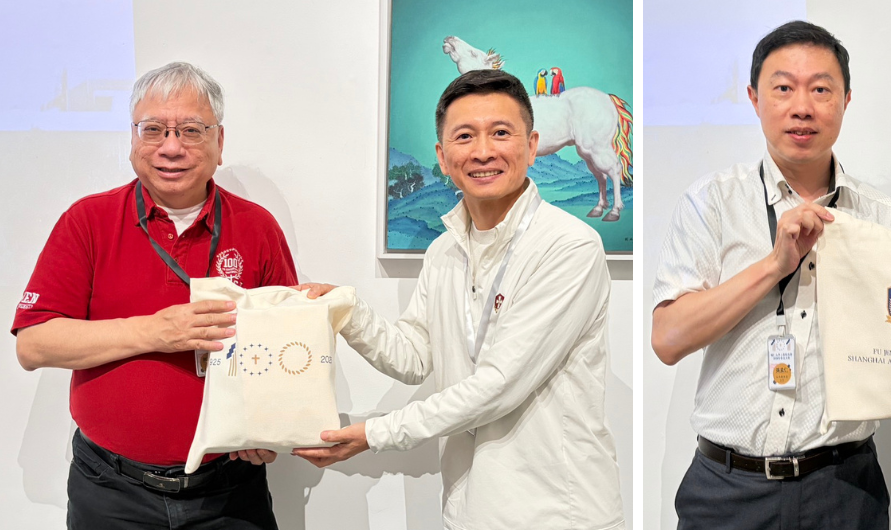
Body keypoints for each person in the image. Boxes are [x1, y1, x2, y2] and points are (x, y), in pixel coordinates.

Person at [289, 70, 622, 530]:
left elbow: (499, 384)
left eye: (500, 133)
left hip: (558, 513)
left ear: (532, 146)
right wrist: (346, 310)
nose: (483, 151)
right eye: (465, 136)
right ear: (443, 158)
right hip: (467, 508)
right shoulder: (444, 249)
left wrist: (376, 433)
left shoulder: (568, 246)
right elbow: (414, 357)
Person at [13, 62, 292, 529]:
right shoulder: (87, 222)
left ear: (220, 142)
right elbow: (34, 344)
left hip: (229, 490)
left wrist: (272, 425)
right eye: (154, 129)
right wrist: (156, 332)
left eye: (191, 130)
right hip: (110, 490)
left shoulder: (257, 227)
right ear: (132, 139)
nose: (171, 147)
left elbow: (284, 346)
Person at [651, 20, 891, 529]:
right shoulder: (712, 203)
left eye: (821, 90)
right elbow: (668, 340)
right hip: (727, 491)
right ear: (754, 98)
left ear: (846, 100)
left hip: (845, 490)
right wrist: (773, 266)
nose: (802, 107)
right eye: (784, 88)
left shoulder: (882, 219)